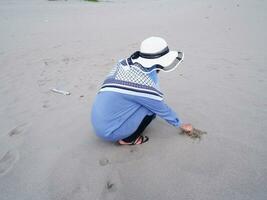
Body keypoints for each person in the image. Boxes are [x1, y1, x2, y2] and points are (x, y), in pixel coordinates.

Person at [91, 36, 193, 145]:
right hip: (111, 132)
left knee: (141, 101)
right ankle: (128, 139)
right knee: (151, 109)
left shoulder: (123, 64)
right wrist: (181, 125)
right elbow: (162, 109)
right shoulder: (145, 86)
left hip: (99, 123)